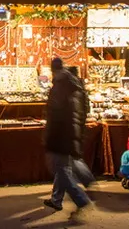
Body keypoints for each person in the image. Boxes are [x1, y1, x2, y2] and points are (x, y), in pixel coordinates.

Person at [42, 58, 92, 220]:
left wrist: (49, 135)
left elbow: (56, 116)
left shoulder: (60, 89)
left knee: (62, 169)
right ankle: (56, 199)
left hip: (61, 135)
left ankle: (81, 199)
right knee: (63, 167)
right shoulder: (74, 86)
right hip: (70, 134)